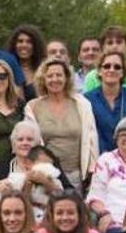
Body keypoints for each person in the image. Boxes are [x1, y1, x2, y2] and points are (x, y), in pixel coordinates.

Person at [24, 58, 98, 187]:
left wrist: (92, 171)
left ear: (66, 78)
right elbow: (30, 143)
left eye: (59, 75)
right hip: (45, 175)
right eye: (50, 76)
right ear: (43, 79)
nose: (55, 79)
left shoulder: (82, 104)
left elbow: (92, 139)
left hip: (75, 176)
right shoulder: (33, 107)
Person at [85, 49, 126, 155]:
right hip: (99, 160)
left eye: (117, 67)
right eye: (107, 66)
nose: (111, 69)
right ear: (100, 71)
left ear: (123, 72)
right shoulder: (87, 100)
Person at [82, 27, 126, 92]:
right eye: (110, 43)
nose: (114, 46)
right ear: (103, 47)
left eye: (119, 42)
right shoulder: (92, 77)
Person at [8, 25, 45, 97]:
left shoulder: (44, 70)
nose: (24, 45)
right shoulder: (6, 69)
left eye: (29, 42)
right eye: (20, 41)